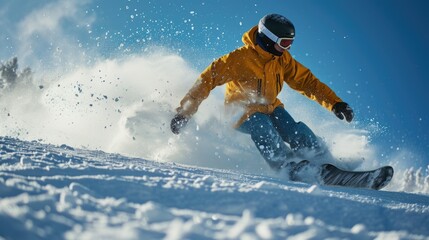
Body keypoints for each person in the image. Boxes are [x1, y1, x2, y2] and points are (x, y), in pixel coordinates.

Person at [170, 13, 354, 171]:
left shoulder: (282, 59)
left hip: (271, 108)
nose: (287, 48)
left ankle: (323, 160)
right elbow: (206, 80)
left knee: (296, 131)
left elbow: (307, 83)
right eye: (284, 43)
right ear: (269, 38)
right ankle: (286, 167)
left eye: (290, 43)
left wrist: (335, 103)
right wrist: (185, 112)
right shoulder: (239, 59)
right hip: (241, 112)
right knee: (263, 128)